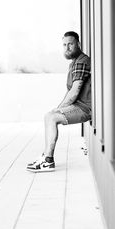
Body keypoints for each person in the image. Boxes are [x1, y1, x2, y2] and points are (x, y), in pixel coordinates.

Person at [27, 31, 91, 172]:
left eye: (70, 44)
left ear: (78, 44)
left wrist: (58, 110)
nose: (67, 48)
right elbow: (70, 92)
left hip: (86, 108)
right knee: (49, 116)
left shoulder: (82, 61)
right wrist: (58, 108)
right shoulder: (74, 63)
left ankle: (48, 160)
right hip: (79, 106)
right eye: (64, 45)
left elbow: (74, 92)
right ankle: (46, 156)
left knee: (52, 117)